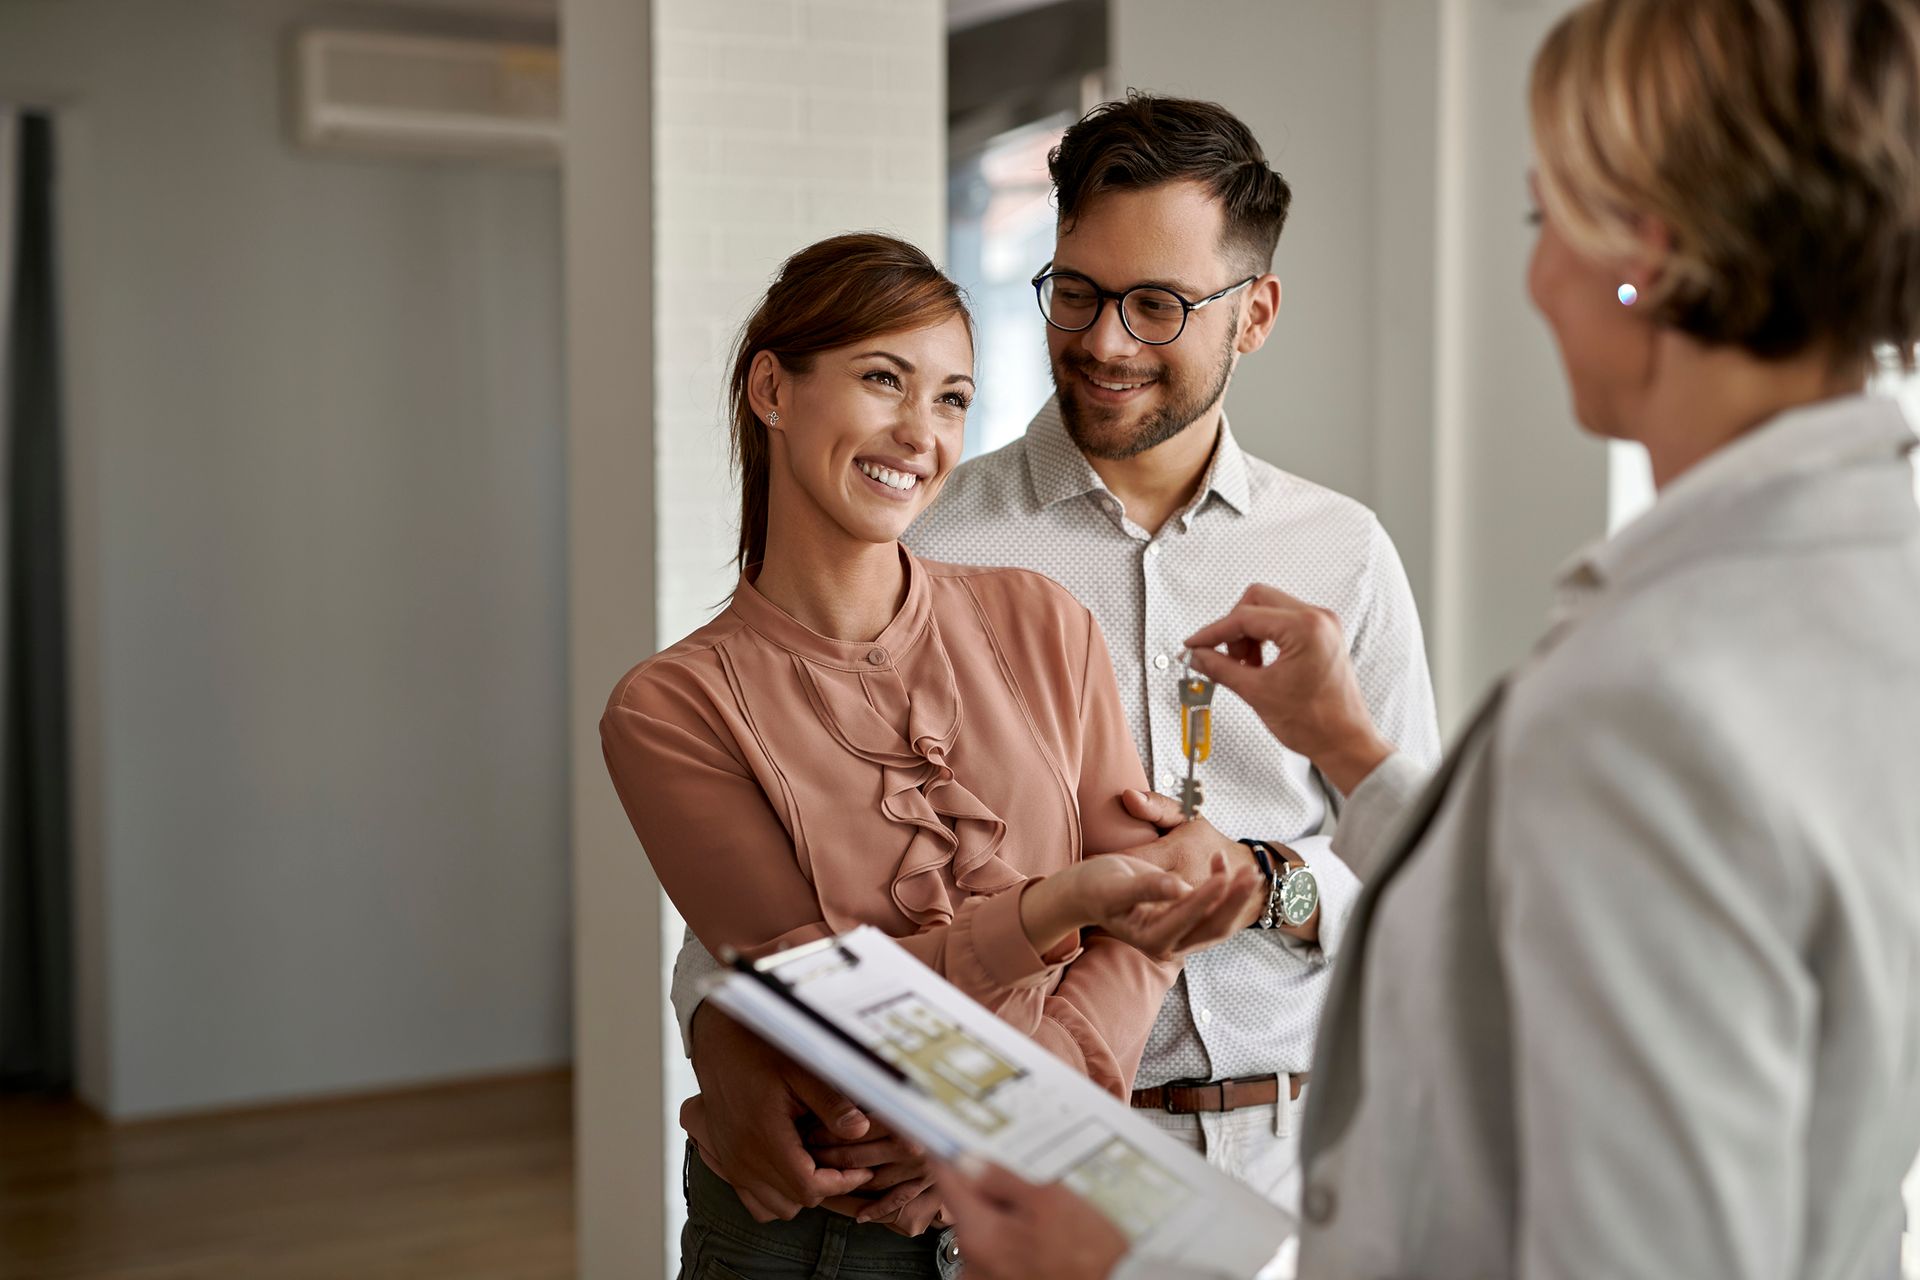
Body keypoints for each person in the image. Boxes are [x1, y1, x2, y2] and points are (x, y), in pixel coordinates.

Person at [937, 1, 1920, 1276]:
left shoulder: (1654, 681)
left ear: (1653, 249)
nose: (1536, 275)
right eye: (1078, 293)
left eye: (1544, 217)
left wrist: (1114, 1265)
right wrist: (1350, 745)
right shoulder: (1845, 588)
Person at [665, 93, 1443, 1257]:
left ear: (1257, 312)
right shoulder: (925, 541)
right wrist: (720, 1038)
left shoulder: (1344, 551)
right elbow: (763, 898)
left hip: (1281, 1174)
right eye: (1075, 291)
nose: (1107, 340)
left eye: (1159, 305)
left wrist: (1266, 876)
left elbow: (1412, 864)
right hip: (981, 1184)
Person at [600, 231, 1260, 1279]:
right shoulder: (672, 709)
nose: (921, 431)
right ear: (773, 387)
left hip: (1037, 1209)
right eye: (882, 379)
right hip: (815, 1245)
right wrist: (1053, 907)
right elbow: (827, 1007)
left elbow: (1142, 935)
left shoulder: (1043, 622)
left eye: (953, 397)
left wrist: (1001, 1120)